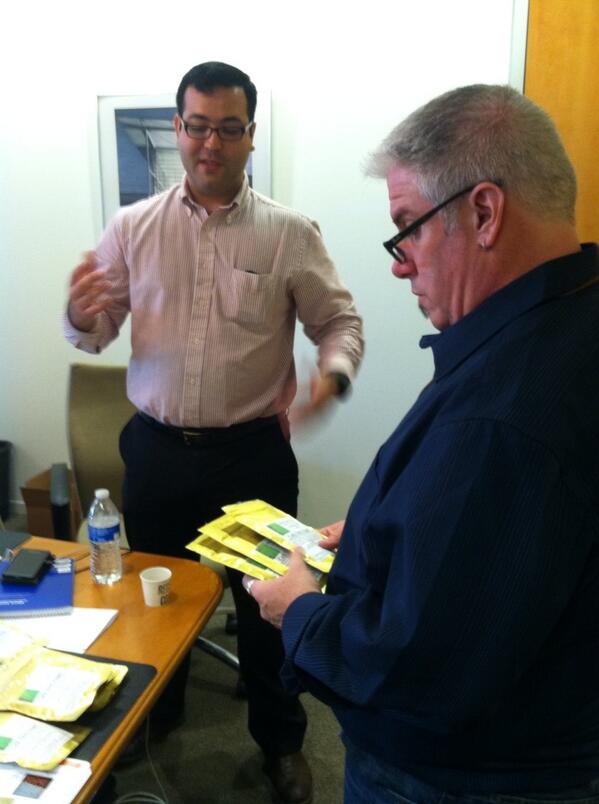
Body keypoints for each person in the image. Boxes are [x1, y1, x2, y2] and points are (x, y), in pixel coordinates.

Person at [248, 84, 599, 803]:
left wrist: (299, 609)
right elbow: (488, 546)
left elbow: (418, 662)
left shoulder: (507, 412)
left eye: (407, 227)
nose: (399, 263)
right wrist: (382, 534)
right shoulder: (565, 322)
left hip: (458, 774)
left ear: (482, 212)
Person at [64, 61, 363, 803]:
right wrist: (79, 312)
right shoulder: (133, 228)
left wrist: (335, 374)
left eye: (228, 129)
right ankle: (154, 717)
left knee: (269, 611)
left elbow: (339, 323)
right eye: (197, 127)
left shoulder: (290, 233)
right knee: (152, 598)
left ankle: (282, 745)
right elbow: (97, 333)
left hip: (252, 457)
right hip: (159, 451)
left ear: (249, 136)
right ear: (178, 128)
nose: (210, 144)